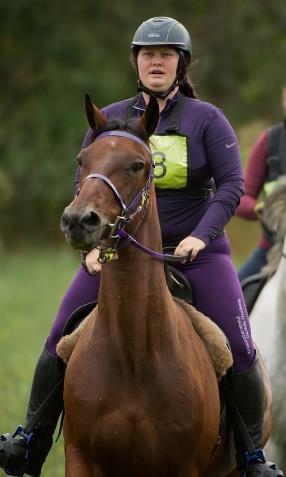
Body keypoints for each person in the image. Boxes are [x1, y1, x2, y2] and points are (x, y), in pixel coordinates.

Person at [0, 16, 283, 477]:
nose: (156, 61)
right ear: (136, 62)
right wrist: (94, 245)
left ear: (180, 63)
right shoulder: (108, 118)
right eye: (147, 54)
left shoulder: (206, 119)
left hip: (198, 254)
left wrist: (200, 236)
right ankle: (29, 441)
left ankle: (251, 458)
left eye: (166, 54)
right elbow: (86, 181)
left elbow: (232, 186)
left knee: (238, 346)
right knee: (59, 338)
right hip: (119, 251)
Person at [236, 83, 286, 282]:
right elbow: (242, 198)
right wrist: (261, 208)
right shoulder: (269, 140)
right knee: (233, 299)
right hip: (272, 249)